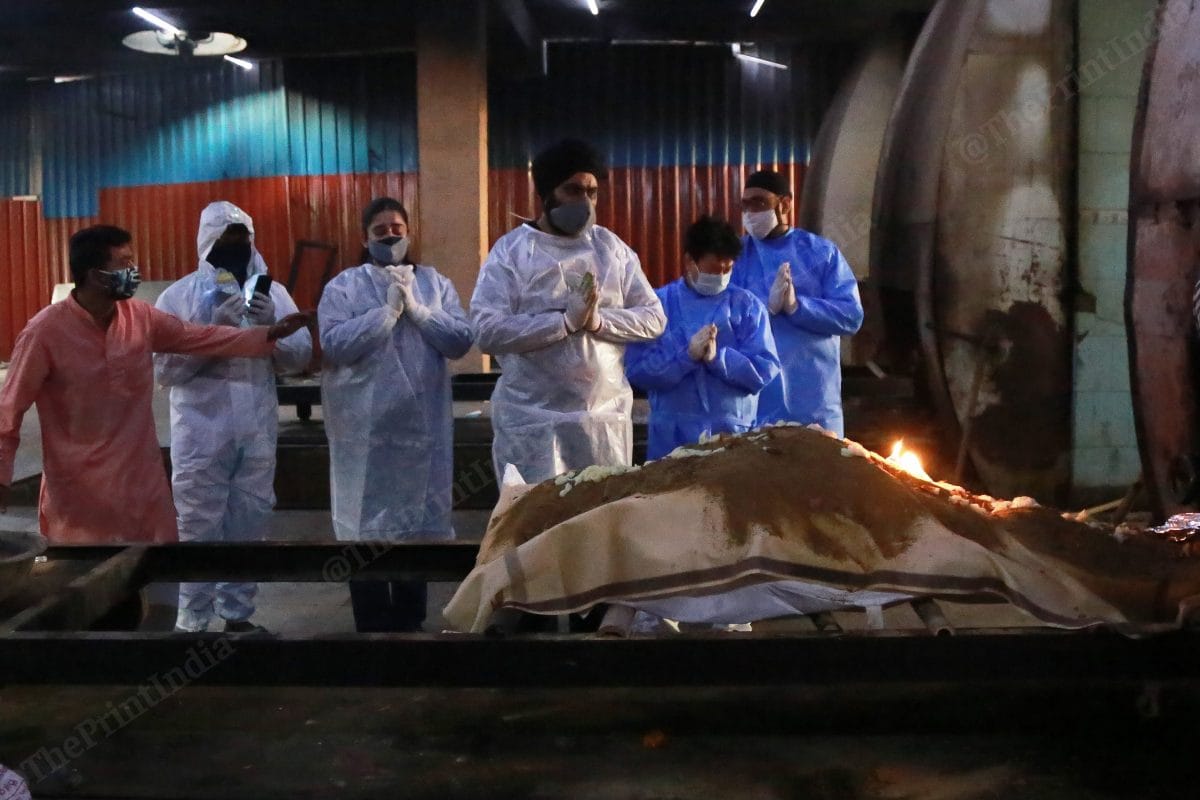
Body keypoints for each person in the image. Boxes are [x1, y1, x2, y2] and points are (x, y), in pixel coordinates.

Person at [0, 225, 310, 543]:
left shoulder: (140, 318)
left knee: (145, 575)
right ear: (95, 275)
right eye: (124, 263)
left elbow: (198, 337)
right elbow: (8, 410)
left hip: (139, 484)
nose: (134, 271)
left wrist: (268, 334)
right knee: (88, 581)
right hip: (79, 493)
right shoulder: (44, 333)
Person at [154, 201, 312, 633]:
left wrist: (274, 330)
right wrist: (210, 333)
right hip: (202, 433)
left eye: (241, 239)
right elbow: (165, 371)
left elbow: (298, 360)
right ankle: (193, 621)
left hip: (257, 431)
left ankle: (237, 617)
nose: (234, 248)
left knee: (250, 522)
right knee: (197, 526)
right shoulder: (180, 297)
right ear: (206, 242)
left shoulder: (271, 292)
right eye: (225, 240)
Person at [319, 197, 474, 632]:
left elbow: (461, 340)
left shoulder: (434, 283)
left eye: (397, 226)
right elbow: (335, 344)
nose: (391, 235)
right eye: (380, 229)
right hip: (365, 433)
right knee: (364, 524)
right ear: (364, 237)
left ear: (410, 230)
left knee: (416, 524)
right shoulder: (344, 287)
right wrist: (385, 313)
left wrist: (420, 311)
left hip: (422, 429)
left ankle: (409, 621)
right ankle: (370, 622)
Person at [471, 138, 666, 483]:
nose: (586, 202)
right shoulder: (512, 252)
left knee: (598, 525)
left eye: (592, 192)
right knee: (536, 527)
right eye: (573, 190)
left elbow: (654, 318)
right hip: (532, 425)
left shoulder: (611, 250)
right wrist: (561, 323)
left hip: (602, 423)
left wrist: (598, 321)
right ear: (546, 195)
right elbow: (487, 330)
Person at [626, 216, 780, 459]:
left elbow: (765, 369)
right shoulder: (658, 306)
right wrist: (685, 357)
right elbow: (637, 370)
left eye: (727, 269)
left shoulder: (747, 307)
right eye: (714, 270)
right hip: (672, 440)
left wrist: (719, 358)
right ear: (690, 261)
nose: (721, 276)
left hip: (732, 438)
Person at [732, 169, 864, 436]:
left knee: (817, 474)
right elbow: (722, 317)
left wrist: (797, 307)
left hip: (814, 403)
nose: (750, 214)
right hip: (755, 403)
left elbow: (851, 316)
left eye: (758, 203)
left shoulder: (821, 253)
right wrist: (764, 309)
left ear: (785, 204)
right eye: (745, 206)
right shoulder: (736, 256)